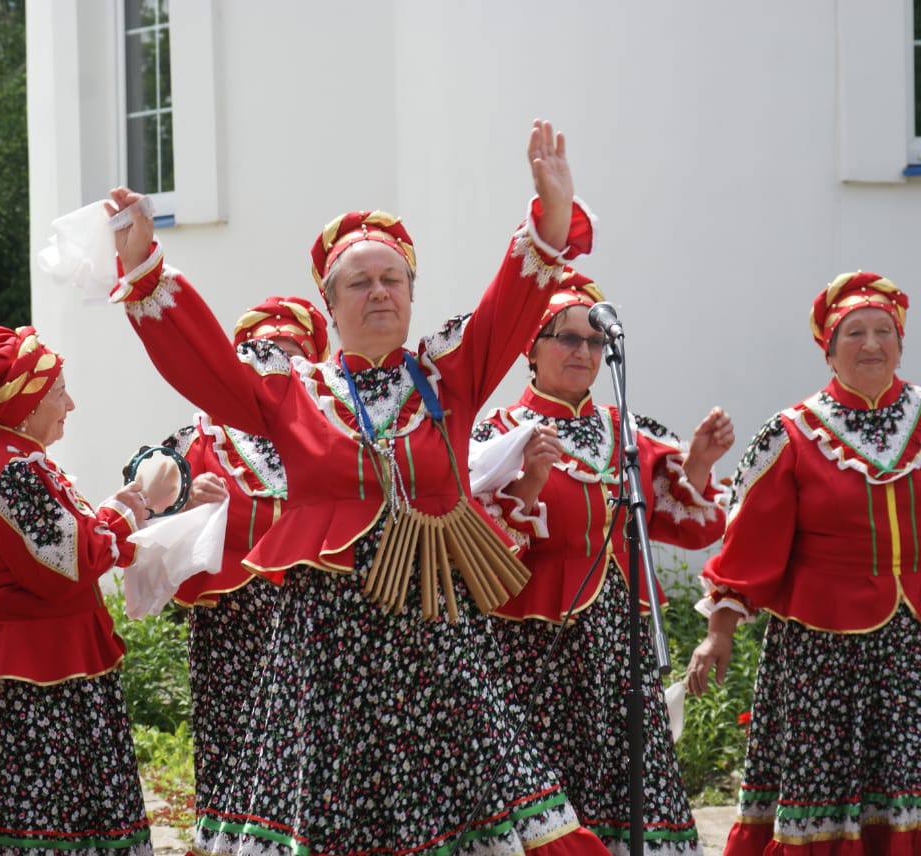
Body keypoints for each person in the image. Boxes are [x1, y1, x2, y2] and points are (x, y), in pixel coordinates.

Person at [107, 120, 612, 854]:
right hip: (326, 653)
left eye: (393, 279)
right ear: (332, 304)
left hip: (438, 649)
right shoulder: (292, 388)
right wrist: (145, 264)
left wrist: (551, 217)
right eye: (360, 283)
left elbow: (511, 304)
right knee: (332, 817)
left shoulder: (449, 373)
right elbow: (205, 362)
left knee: (469, 811)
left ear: (411, 292)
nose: (379, 293)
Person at [472, 270, 733, 854]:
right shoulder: (495, 433)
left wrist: (697, 465)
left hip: (621, 634)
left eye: (594, 342)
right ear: (530, 350)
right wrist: (530, 485)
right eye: (567, 338)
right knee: (547, 772)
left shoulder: (626, 431)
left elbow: (684, 525)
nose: (583, 352)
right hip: (534, 640)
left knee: (626, 769)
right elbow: (475, 543)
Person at [687, 272, 921, 855]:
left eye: (884, 331)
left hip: (912, 644)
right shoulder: (796, 433)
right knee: (826, 791)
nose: (872, 344)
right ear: (829, 348)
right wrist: (719, 634)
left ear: (901, 340)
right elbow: (749, 543)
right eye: (855, 333)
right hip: (822, 649)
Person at [0, 324, 187, 855]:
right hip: (42, 670)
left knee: (53, 801)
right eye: (57, 392)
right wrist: (136, 503)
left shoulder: (23, 463)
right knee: (47, 803)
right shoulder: (12, 471)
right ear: (24, 403)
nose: (69, 403)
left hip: (53, 660)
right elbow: (69, 562)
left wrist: (117, 512)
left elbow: (69, 541)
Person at [153, 296, 325, 823]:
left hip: (314, 616)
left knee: (310, 747)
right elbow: (144, 485)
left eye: (290, 353)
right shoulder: (204, 434)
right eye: (262, 352)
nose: (276, 363)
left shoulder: (330, 430)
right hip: (231, 626)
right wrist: (182, 491)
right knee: (231, 747)